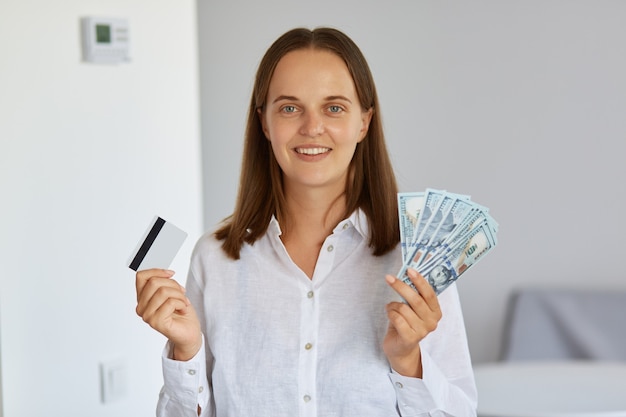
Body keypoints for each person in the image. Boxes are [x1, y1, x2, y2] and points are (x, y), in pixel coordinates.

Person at [135, 27, 477, 417]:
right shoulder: (213, 258)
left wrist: (408, 361)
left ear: (364, 122)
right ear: (264, 123)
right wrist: (186, 352)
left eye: (334, 108)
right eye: (289, 107)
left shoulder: (418, 259)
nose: (312, 127)